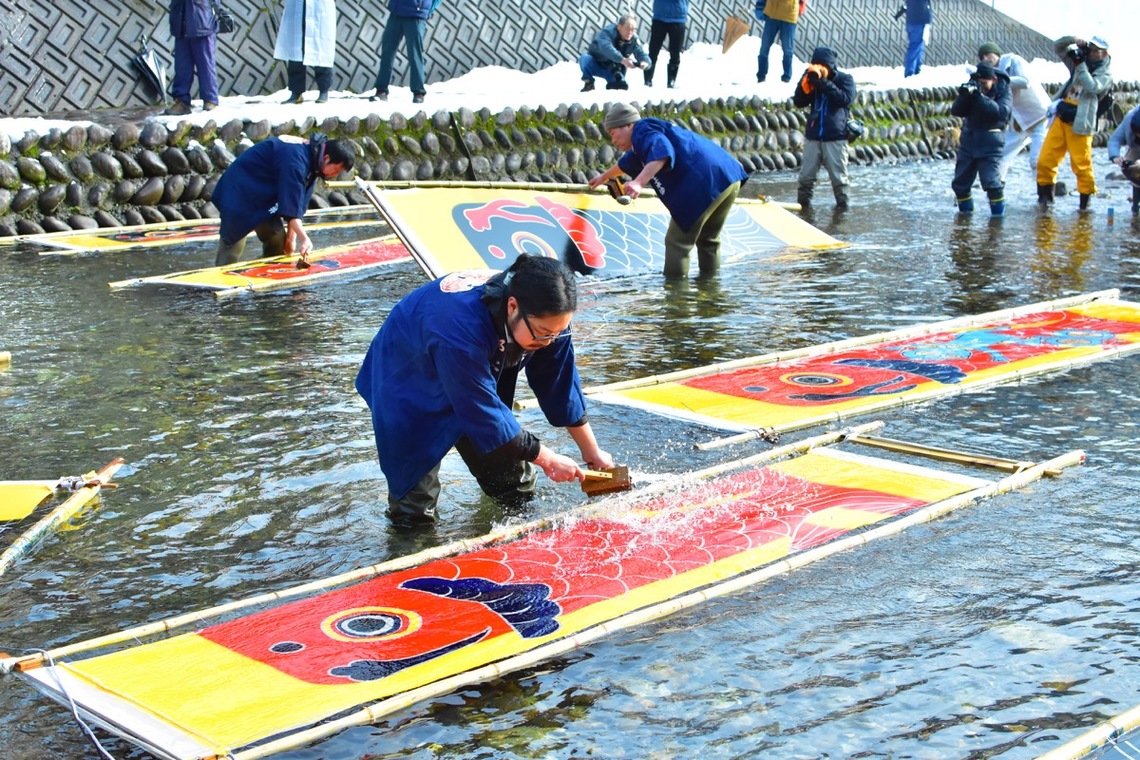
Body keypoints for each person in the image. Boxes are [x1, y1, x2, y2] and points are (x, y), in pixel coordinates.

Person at [355, 255, 615, 525]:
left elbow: (560, 384)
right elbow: (483, 412)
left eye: (556, 334)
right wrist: (548, 459)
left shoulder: (549, 318)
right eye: (542, 333)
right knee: (414, 507)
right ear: (512, 306)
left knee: (515, 485)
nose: (549, 342)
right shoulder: (458, 328)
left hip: (476, 365)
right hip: (409, 379)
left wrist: (591, 451)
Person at [588, 102, 749, 278]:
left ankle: (675, 297)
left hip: (704, 182)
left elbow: (662, 152)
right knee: (708, 240)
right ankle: (710, 290)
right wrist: (603, 177)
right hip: (728, 177)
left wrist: (639, 182)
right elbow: (626, 163)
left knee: (677, 243)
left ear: (629, 125)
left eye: (613, 133)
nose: (613, 140)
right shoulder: (644, 141)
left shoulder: (643, 130)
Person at [211, 134, 354, 266]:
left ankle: (262, 273)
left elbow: (297, 207)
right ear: (327, 158)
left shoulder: (314, 160)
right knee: (233, 243)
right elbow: (291, 207)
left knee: (278, 241)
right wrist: (304, 239)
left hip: (263, 196)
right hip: (240, 190)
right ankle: (219, 279)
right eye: (336, 170)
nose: (334, 175)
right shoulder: (296, 159)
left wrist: (291, 239)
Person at [1036, 35, 1113, 210]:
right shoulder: (1079, 62)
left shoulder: (1105, 73)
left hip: (1081, 122)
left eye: (1096, 51)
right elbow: (1058, 46)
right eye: (1090, 49)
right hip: (1062, 115)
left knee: (1081, 165)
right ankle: (1045, 201)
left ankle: (1084, 207)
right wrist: (1074, 40)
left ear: (1104, 53)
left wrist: (1080, 64)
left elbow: (1092, 87)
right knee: (1045, 160)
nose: (1091, 54)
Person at [792, 46, 857, 210]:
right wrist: (805, 83)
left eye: (823, 66)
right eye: (816, 65)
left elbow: (845, 100)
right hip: (813, 136)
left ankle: (843, 211)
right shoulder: (811, 79)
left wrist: (824, 84)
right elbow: (799, 102)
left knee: (839, 179)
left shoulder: (845, 79)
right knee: (805, 178)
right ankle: (803, 209)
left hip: (836, 137)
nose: (819, 69)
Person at [975, 41, 1051, 182]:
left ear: (997, 54)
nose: (986, 59)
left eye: (988, 54)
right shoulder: (989, 76)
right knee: (1000, 156)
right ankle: (995, 189)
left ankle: (1044, 195)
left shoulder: (1013, 61)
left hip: (1039, 117)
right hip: (1018, 122)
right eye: (982, 57)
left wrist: (998, 80)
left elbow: (1024, 81)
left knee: (1037, 161)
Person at [950, 62, 1011, 217]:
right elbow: (956, 111)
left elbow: (1000, 113)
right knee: (960, 184)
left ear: (993, 80)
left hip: (991, 142)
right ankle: (964, 218)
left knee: (992, 184)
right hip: (969, 141)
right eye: (979, 83)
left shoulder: (1003, 90)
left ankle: (997, 223)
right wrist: (965, 96)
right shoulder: (973, 88)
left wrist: (979, 96)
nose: (981, 86)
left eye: (984, 84)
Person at [372, 0, 442, 104]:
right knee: (387, 52)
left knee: (415, 55)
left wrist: (427, 9)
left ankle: (418, 92)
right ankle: (381, 90)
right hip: (396, 12)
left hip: (416, 15)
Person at [274, 0, 338, 104]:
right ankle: (296, 92)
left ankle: (323, 90)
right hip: (298, 5)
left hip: (320, 7)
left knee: (321, 51)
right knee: (296, 51)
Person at [165, 0, 219, 116]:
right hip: (180, 18)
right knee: (182, 66)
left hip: (202, 18)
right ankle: (182, 101)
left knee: (205, 64)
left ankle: (210, 99)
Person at [580, 14, 650, 92]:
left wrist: (645, 63)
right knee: (585, 59)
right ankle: (588, 83)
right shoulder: (608, 32)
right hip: (597, 62)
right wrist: (622, 60)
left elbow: (641, 53)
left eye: (633, 29)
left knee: (621, 87)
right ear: (619, 26)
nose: (630, 32)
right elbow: (606, 48)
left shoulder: (633, 38)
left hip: (614, 68)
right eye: (627, 29)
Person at [754, 0, 807, 84]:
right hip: (772, 14)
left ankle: (786, 77)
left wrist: (801, 7)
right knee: (764, 47)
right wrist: (759, 7)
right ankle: (761, 76)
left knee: (787, 49)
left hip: (789, 16)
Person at [645, 0, 688, 89]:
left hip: (678, 18)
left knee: (675, 53)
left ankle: (671, 81)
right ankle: (647, 80)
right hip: (659, 17)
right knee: (653, 51)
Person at [1108, 106, 1140, 214]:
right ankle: (1136, 206)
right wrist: (1115, 156)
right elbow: (1114, 140)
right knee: (1132, 169)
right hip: (1136, 147)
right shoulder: (1129, 119)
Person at [896, 0, 932, 78]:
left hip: (910, 22)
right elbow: (924, 7)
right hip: (919, 22)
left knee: (918, 46)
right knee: (915, 47)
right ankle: (910, 73)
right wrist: (928, 20)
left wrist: (899, 14)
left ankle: (917, 70)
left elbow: (906, 5)